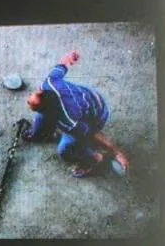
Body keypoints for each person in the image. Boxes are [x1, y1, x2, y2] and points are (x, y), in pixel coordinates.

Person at [25, 50, 129, 178]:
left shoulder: (69, 121)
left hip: (96, 113)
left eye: (31, 103)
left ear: (50, 113)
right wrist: (68, 58)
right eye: (33, 97)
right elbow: (62, 65)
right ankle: (40, 135)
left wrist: (116, 152)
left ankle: (93, 159)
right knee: (39, 120)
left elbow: (92, 132)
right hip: (85, 97)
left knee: (65, 149)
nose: (27, 100)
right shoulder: (48, 83)